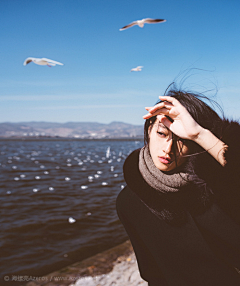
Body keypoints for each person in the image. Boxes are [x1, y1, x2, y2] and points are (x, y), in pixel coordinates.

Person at [116, 84, 240, 286]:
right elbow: (152, 273)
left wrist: (199, 133)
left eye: (182, 140)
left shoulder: (218, 182)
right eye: (162, 134)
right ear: (149, 130)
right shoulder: (129, 202)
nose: (168, 149)